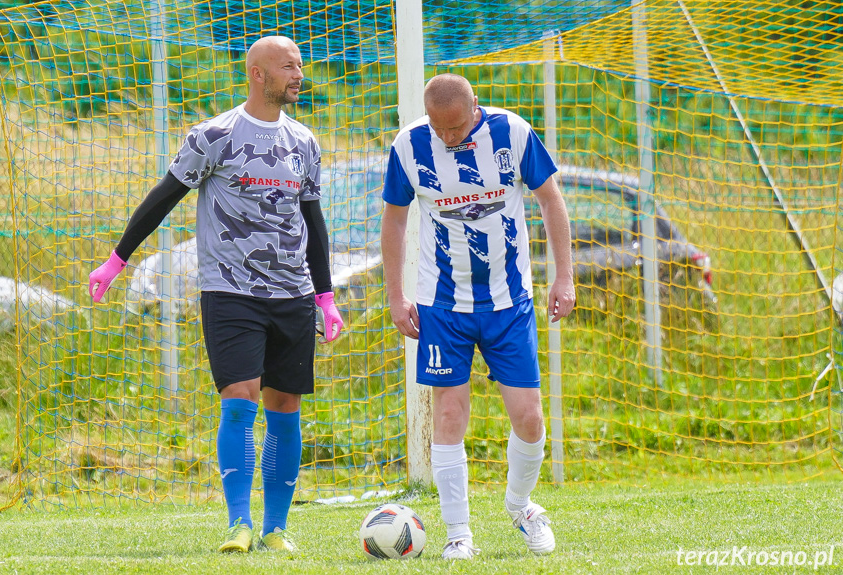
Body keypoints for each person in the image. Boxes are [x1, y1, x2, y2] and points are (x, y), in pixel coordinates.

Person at [87, 36, 344, 554]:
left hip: (292, 293)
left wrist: (325, 296)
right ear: (257, 74)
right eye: (287, 67)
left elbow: (313, 221)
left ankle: (276, 529)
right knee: (239, 399)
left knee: (285, 404)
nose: (298, 74)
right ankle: (238, 524)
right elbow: (165, 195)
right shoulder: (215, 135)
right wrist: (118, 259)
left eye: (299, 65)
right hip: (230, 292)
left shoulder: (305, 142)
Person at [380, 73, 576, 560]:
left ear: (475, 109)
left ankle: (522, 507)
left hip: (509, 301)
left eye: (457, 128)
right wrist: (396, 295)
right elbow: (395, 218)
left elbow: (551, 198)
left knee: (529, 418)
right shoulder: (408, 146)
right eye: (438, 129)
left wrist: (564, 277)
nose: (448, 138)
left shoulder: (511, 132)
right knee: (448, 414)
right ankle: (458, 535)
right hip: (441, 304)